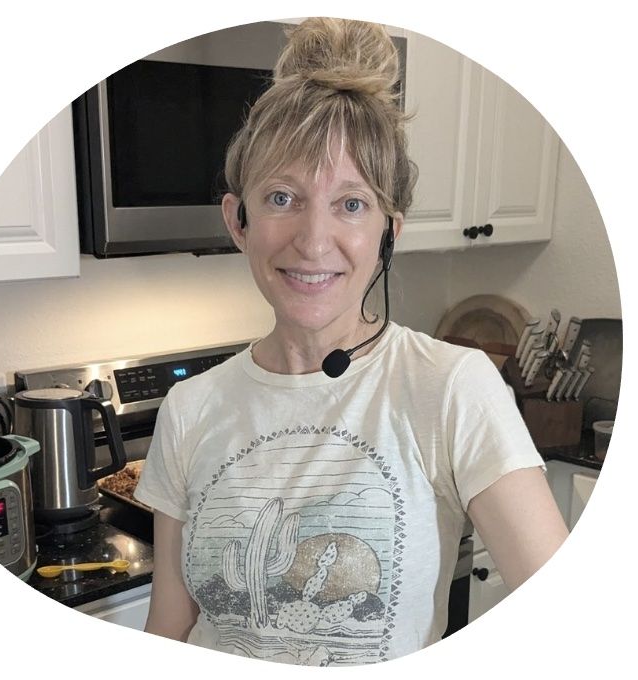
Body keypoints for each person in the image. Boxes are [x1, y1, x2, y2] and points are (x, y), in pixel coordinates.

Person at [133, 18, 568, 666]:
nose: (313, 241)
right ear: (238, 221)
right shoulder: (190, 409)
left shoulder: (449, 386)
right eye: (283, 197)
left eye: (352, 204)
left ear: (390, 232)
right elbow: (170, 629)